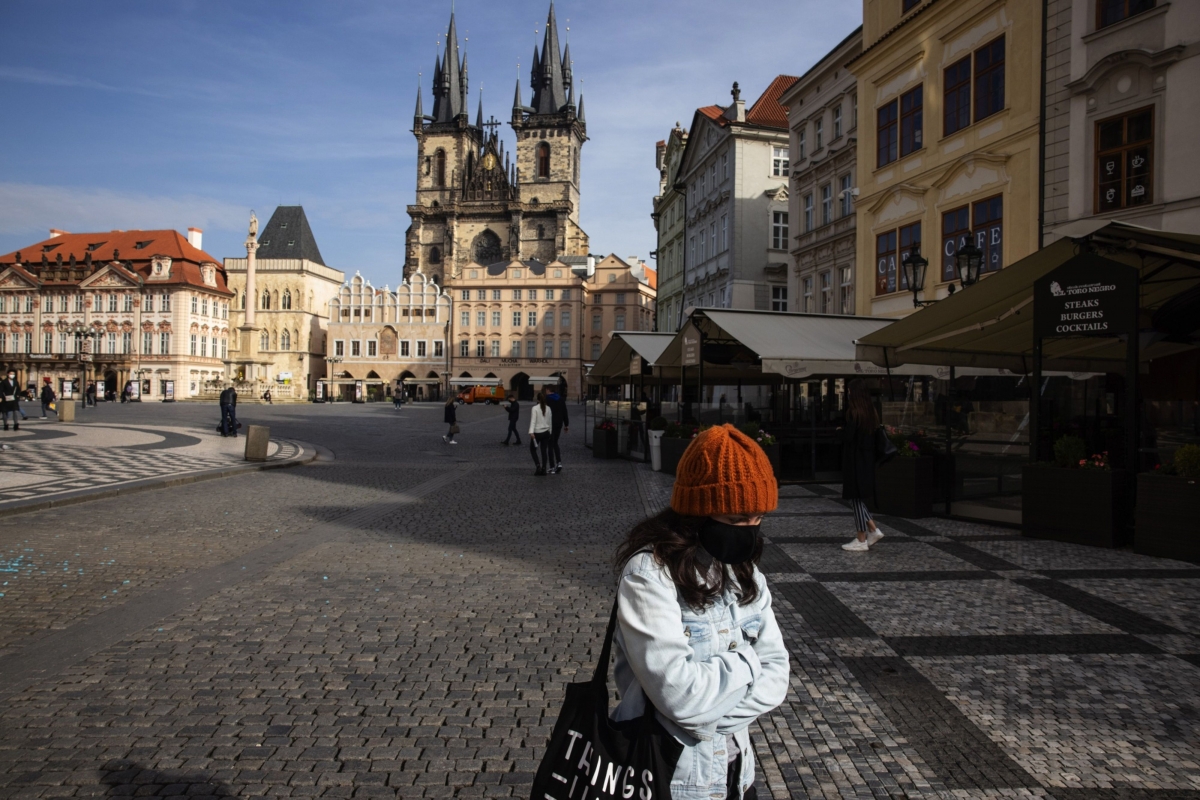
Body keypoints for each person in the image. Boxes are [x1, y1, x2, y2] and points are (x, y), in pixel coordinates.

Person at [611, 424, 789, 800]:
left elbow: (779, 675)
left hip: (736, 776)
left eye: (757, 518)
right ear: (698, 514)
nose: (750, 530)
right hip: (670, 780)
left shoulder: (744, 573)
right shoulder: (649, 575)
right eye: (737, 520)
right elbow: (681, 697)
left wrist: (702, 717)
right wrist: (748, 662)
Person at [839, 378, 885, 552]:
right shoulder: (871, 412)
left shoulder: (854, 413)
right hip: (866, 460)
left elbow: (849, 437)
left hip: (855, 461)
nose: (848, 394)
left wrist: (840, 432)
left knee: (855, 499)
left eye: (850, 391)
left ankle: (861, 539)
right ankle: (873, 530)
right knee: (856, 499)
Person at [545, 385, 569, 474]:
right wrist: (566, 424)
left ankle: (551, 466)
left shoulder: (546, 399)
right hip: (559, 423)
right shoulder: (560, 399)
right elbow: (564, 411)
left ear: (548, 390)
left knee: (550, 444)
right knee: (555, 443)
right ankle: (559, 463)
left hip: (549, 424)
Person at [528, 391, 553, 475]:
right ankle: (544, 468)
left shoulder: (535, 408)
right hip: (546, 432)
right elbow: (550, 422)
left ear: (537, 399)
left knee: (533, 449)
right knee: (543, 451)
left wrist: (531, 432)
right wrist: (550, 432)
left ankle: (538, 465)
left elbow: (533, 421)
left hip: (537, 432)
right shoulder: (548, 408)